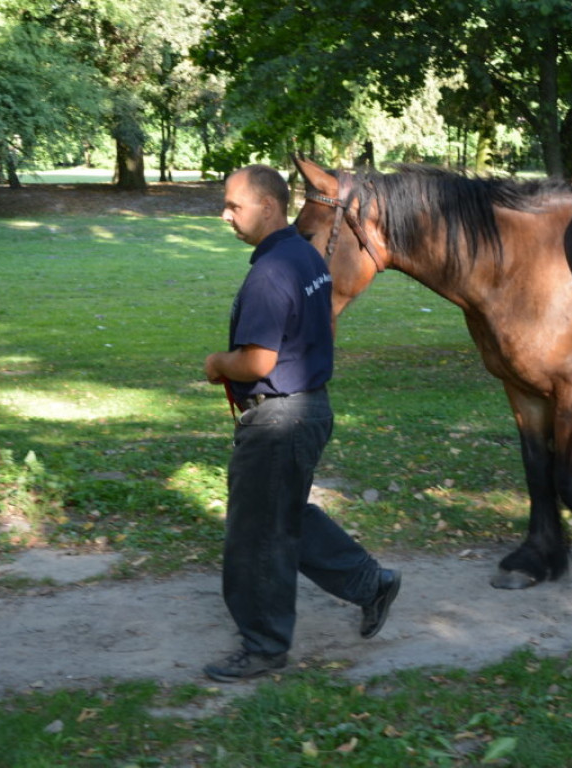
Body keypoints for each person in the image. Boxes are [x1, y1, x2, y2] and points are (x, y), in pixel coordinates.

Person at [202, 164, 400, 682]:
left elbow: (257, 363)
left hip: (280, 418)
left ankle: (264, 647)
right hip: (310, 407)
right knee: (284, 515)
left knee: (257, 535)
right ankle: (371, 583)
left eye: (233, 205)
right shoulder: (304, 256)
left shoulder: (270, 272)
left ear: (268, 206)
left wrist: (218, 364)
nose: (225, 215)